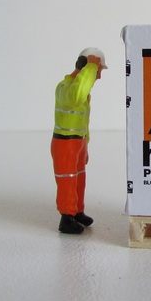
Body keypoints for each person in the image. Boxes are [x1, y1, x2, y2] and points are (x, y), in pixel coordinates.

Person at [51, 48, 107, 234]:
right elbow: (76, 97)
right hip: (65, 144)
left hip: (78, 143)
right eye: (98, 71)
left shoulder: (82, 90)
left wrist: (85, 145)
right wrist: (91, 67)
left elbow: (83, 121)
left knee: (79, 179)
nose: (98, 77)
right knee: (68, 181)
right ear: (85, 68)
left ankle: (77, 211)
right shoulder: (65, 88)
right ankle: (66, 217)